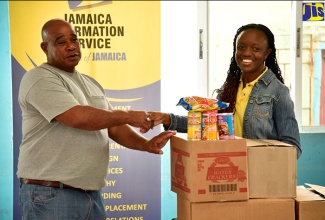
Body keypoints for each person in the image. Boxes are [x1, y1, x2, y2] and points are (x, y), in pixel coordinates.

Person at [17, 18, 176, 220]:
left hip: (91, 196)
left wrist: (146, 145)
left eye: (74, 40)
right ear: (44, 47)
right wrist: (130, 115)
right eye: (61, 42)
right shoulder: (39, 78)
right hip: (51, 195)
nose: (71, 46)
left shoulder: (90, 83)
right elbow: (78, 117)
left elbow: (114, 128)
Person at [145, 23, 302, 159]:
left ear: (266, 53)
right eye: (241, 47)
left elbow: (292, 147)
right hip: (230, 171)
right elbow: (208, 126)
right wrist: (167, 119)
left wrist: (261, 159)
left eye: (255, 48)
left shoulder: (278, 92)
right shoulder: (228, 89)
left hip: (261, 178)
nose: (247, 53)